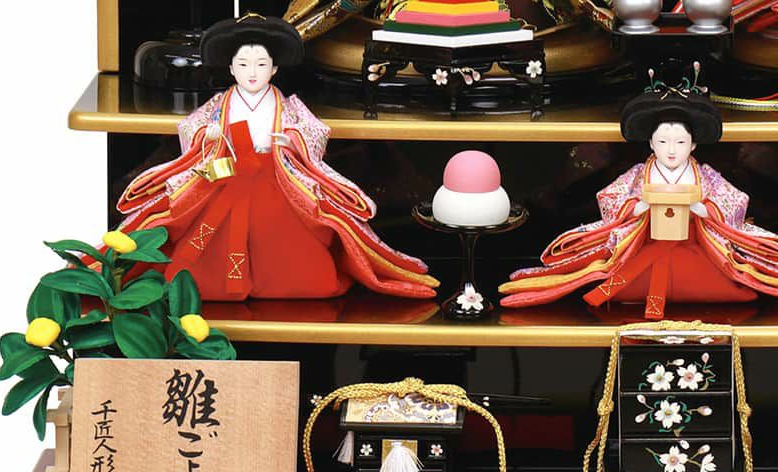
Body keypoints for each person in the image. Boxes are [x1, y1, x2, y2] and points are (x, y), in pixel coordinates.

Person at [108, 15, 438, 301]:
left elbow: (315, 130)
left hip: (274, 177)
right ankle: (203, 285)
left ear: (274, 68)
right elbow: (191, 127)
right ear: (231, 68)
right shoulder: (220, 105)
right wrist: (206, 135)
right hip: (226, 176)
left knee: (287, 242)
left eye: (261, 64)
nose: (252, 72)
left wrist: (291, 140)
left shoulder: (288, 105)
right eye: (243, 65)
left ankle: (294, 282)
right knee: (203, 235)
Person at [499, 79, 778, 318]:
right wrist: (635, 207)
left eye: (680, 142)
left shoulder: (706, 175)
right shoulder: (637, 175)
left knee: (725, 280)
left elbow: (734, 199)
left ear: (693, 144)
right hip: (644, 243)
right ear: (651, 143)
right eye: (663, 142)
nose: (671, 150)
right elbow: (610, 196)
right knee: (612, 274)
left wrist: (705, 210)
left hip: (697, 246)